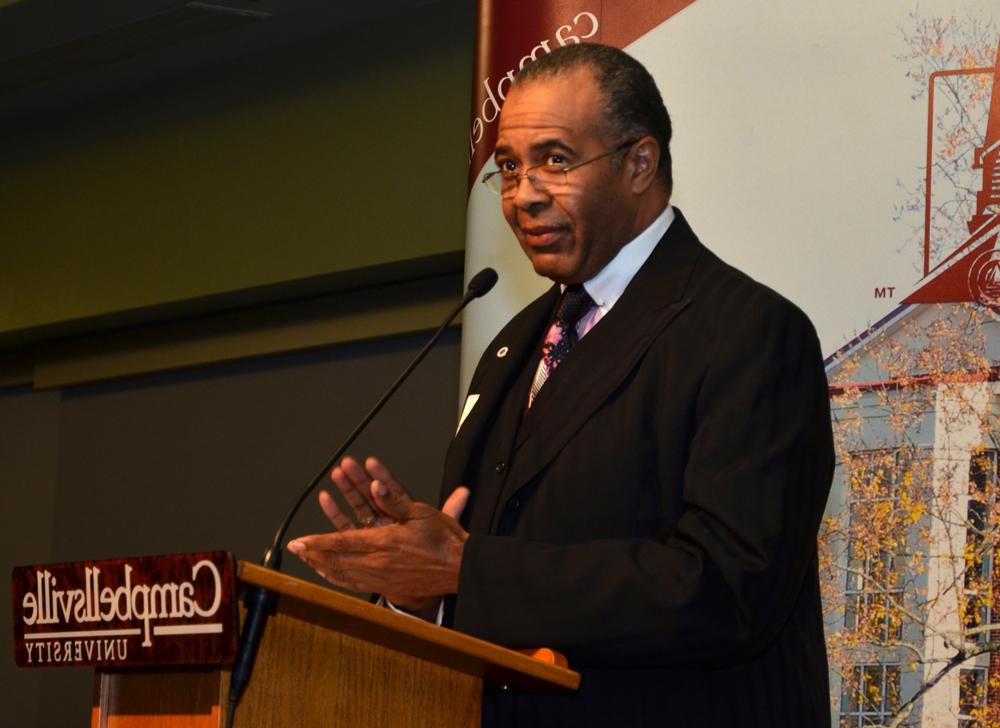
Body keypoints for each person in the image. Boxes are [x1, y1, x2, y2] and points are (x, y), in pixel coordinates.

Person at [288, 43, 834, 727]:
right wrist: (420, 590)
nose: (523, 196)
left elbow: (727, 590)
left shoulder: (747, 332)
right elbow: (489, 574)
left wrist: (466, 569)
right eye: (509, 168)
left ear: (640, 163)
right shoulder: (514, 347)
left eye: (554, 160)